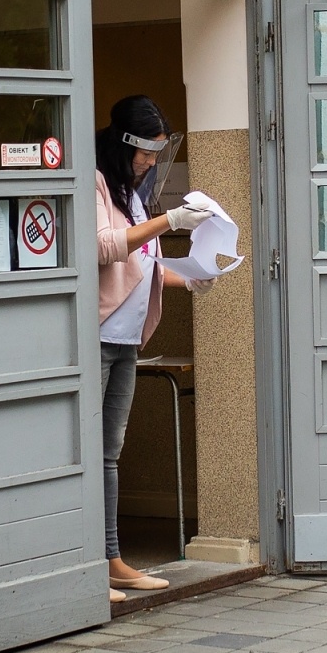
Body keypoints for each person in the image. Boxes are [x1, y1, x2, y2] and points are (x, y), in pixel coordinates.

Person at [95, 96, 215, 604]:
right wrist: (171, 221)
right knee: (88, 454)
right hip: (96, 334)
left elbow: (140, 262)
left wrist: (189, 279)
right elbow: (104, 248)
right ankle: (89, 565)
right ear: (125, 142)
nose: (150, 162)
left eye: (158, 153)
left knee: (108, 454)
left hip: (125, 339)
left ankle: (111, 561)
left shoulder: (132, 189)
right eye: (147, 152)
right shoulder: (95, 182)